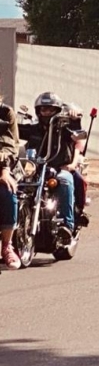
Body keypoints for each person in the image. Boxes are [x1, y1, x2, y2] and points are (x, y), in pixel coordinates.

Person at [18, 92, 82, 243]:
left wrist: (75, 120)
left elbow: (77, 135)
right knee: (16, 185)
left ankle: (67, 225)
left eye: (50, 110)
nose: (46, 113)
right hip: (35, 169)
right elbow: (14, 130)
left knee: (65, 181)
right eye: (43, 109)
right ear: (38, 111)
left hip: (58, 169)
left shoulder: (65, 129)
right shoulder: (33, 129)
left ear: (58, 111)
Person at [0, 96, 21, 270]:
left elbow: (8, 146)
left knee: (7, 191)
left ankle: (7, 246)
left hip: (2, 166)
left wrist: (5, 170)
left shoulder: (5, 113)